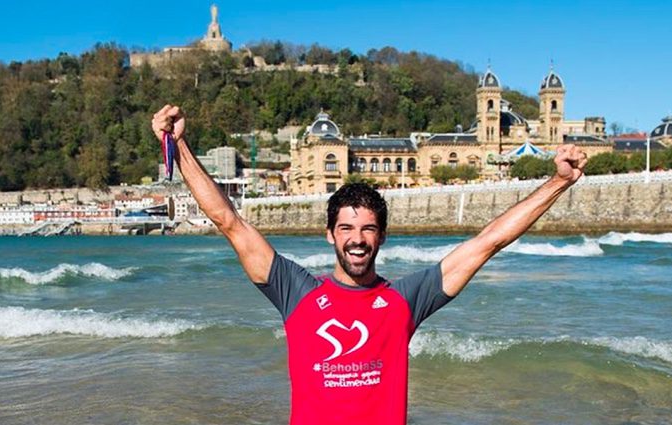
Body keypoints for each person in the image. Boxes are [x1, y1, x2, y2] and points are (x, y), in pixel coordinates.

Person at [151, 104, 588, 425]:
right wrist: (179, 145)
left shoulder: (405, 299)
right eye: (346, 229)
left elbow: (488, 242)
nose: (357, 240)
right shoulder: (296, 291)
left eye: (367, 230)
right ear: (330, 235)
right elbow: (229, 221)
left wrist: (559, 182)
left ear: (381, 236)